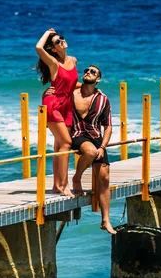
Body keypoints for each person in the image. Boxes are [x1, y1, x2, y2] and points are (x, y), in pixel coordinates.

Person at [71, 65, 116, 235]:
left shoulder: (103, 99)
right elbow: (61, 84)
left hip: (96, 138)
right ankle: (77, 178)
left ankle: (105, 220)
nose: (88, 73)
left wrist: (103, 146)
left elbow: (108, 126)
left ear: (98, 79)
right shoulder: (73, 92)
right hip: (76, 134)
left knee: (104, 177)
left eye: (93, 72)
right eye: (86, 71)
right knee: (90, 151)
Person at [35, 28, 78, 197]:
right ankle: (64, 185)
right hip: (53, 105)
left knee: (59, 145)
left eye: (62, 39)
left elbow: (72, 84)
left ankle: (55, 186)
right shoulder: (54, 63)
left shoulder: (73, 60)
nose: (62, 42)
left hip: (67, 105)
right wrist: (47, 33)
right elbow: (39, 48)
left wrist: (93, 89)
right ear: (53, 49)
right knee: (67, 143)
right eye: (57, 42)